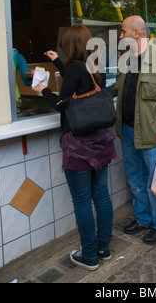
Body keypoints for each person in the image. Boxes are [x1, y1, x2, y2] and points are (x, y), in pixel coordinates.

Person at [32, 25, 116, 271]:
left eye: (62, 47)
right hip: (101, 143)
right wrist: (58, 62)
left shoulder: (76, 70)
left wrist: (43, 90)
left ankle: (89, 255)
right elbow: (77, 82)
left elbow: (62, 103)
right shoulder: (92, 67)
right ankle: (104, 248)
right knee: (101, 194)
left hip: (80, 147)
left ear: (69, 46)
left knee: (81, 201)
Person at [112, 15, 156, 245]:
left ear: (136, 33)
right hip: (128, 131)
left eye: (123, 32)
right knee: (135, 180)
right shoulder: (126, 59)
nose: (120, 36)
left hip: (153, 133)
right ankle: (143, 219)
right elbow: (118, 89)